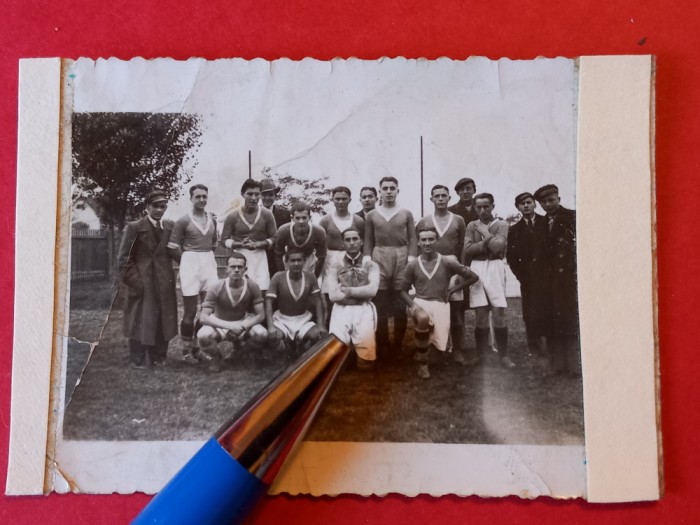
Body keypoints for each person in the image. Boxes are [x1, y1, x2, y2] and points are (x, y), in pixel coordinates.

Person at [401, 227, 478, 378]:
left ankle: (422, 352)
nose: (427, 243)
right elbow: (402, 291)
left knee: (436, 356)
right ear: (419, 243)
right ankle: (423, 366)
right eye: (423, 240)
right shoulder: (413, 264)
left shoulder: (447, 262)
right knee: (423, 319)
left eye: (431, 239)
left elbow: (473, 277)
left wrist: (452, 289)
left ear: (437, 241)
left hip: (441, 305)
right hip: (420, 303)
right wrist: (413, 305)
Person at [117, 190, 178, 369]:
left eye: (163, 206)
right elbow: (123, 259)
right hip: (143, 282)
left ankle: (159, 356)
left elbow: (174, 251)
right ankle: (137, 357)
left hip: (164, 282)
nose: (159, 210)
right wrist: (136, 282)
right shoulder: (135, 227)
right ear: (147, 207)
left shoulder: (169, 227)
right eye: (156, 206)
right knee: (140, 318)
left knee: (162, 319)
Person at [415, 185, 472, 365]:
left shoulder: (458, 219)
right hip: (432, 267)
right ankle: (433, 348)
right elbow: (420, 245)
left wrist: (461, 269)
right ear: (431, 199)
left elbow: (463, 245)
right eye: (437, 196)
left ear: (449, 198)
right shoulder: (424, 221)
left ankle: (458, 349)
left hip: (452, 265)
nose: (440, 199)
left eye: (444, 196)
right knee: (432, 307)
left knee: (456, 310)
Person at [363, 176, 418, 359]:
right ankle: (383, 344)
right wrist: (366, 258)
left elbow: (413, 239)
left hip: (401, 256)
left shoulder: (406, 213)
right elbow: (369, 240)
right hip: (380, 256)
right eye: (385, 188)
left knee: (400, 304)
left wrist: (411, 258)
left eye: (392, 188)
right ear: (380, 191)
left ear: (397, 190)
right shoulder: (372, 214)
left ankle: (397, 346)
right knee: (380, 303)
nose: (388, 191)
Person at [530, 184, 580, 376]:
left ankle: (573, 366)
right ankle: (558, 365)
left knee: (568, 321)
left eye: (551, 200)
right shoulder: (541, 223)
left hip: (567, 280)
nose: (548, 204)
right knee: (552, 322)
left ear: (559, 199)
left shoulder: (572, 218)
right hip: (547, 282)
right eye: (544, 202)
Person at [167, 184, 219, 362]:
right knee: (190, 311)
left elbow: (213, 243)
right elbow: (172, 247)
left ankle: (198, 348)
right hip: (190, 262)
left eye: (205, 196)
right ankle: (186, 351)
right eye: (198, 196)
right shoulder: (183, 220)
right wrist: (186, 263)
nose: (202, 200)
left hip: (208, 263)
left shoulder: (212, 218)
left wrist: (204, 260)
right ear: (191, 198)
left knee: (208, 310)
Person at [464, 193, 515, 368]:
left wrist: (485, 234)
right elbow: (468, 250)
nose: (482, 210)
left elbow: (498, 247)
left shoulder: (501, 224)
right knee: (480, 313)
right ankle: (481, 355)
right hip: (477, 267)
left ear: (493, 206)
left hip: (495, 266)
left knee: (498, 312)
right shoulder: (471, 225)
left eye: (486, 206)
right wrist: (487, 243)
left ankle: (504, 356)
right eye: (478, 207)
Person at [197, 253, 268, 371]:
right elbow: (203, 317)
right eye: (233, 267)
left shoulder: (252, 286)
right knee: (203, 336)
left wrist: (244, 325)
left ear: (245, 269)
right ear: (227, 270)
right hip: (220, 323)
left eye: (240, 267)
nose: (236, 270)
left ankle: (245, 354)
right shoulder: (216, 286)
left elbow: (261, 315)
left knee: (261, 334)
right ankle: (216, 357)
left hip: (241, 322)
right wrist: (230, 326)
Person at [326, 227, 380, 369]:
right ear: (343, 243)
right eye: (348, 240)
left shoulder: (371, 265)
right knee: (335, 362)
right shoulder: (335, 266)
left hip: (363, 309)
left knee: (366, 364)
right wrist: (361, 294)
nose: (352, 243)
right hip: (341, 310)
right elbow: (333, 295)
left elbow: (372, 290)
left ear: (361, 241)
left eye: (355, 239)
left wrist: (348, 290)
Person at [506, 192, 547, 356]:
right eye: (522, 204)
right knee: (530, 312)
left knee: (549, 308)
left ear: (535, 204)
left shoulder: (546, 223)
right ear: (518, 207)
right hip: (528, 278)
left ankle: (551, 344)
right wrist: (522, 276)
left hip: (548, 276)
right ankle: (534, 346)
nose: (526, 206)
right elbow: (512, 257)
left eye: (529, 202)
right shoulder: (515, 230)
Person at [265, 248, 327, 357]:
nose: (296, 263)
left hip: (303, 319)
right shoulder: (278, 277)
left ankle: (301, 345)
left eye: (299, 260)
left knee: (317, 336)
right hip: (282, 319)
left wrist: (321, 324)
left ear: (304, 261)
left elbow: (318, 300)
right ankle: (287, 346)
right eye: (292, 261)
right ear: (286, 262)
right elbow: (269, 301)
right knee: (275, 340)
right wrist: (270, 326)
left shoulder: (310, 277)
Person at [220, 179, 277, 292]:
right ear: (243, 194)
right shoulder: (233, 215)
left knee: (261, 291)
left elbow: (274, 237)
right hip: (239, 257)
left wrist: (259, 244)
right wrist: (240, 244)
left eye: (257, 194)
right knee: (240, 290)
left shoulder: (267, 214)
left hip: (260, 257)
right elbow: (224, 240)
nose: (253, 198)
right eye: (250, 194)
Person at [319, 186, 365, 317]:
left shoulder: (358, 220)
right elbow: (319, 244)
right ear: (332, 200)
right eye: (337, 199)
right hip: (331, 260)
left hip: (351, 259)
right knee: (331, 296)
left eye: (344, 199)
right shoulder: (326, 220)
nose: (340, 202)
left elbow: (363, 242)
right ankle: (332, 332)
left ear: (350, 200)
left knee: (350, 294)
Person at [274, 202, 327, 277]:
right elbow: (279, 254)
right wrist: (282, 274)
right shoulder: (284, 230)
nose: (301, 221)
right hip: (290, 259)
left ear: (309, 217)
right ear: (292, 218)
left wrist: (315, 276)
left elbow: (321, 256)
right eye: (298, 218)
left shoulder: (318, 231)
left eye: (304, 218)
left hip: (309, 260)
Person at [260, 178, 291, 275]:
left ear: (275, 196)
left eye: (270, 195)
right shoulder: (255, 214)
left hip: (279, 258)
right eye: (264, 195)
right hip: (261, 256)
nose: (267, 198)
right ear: (260, 196)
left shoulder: (285, 214)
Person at [448, 177, 479, 252]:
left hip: (479, 250)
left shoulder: (482, 207)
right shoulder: (451, 211)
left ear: (474, 191)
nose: (465, 192)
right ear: (457, 192)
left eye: (468, 188)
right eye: (462, 189)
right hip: (460, 251)